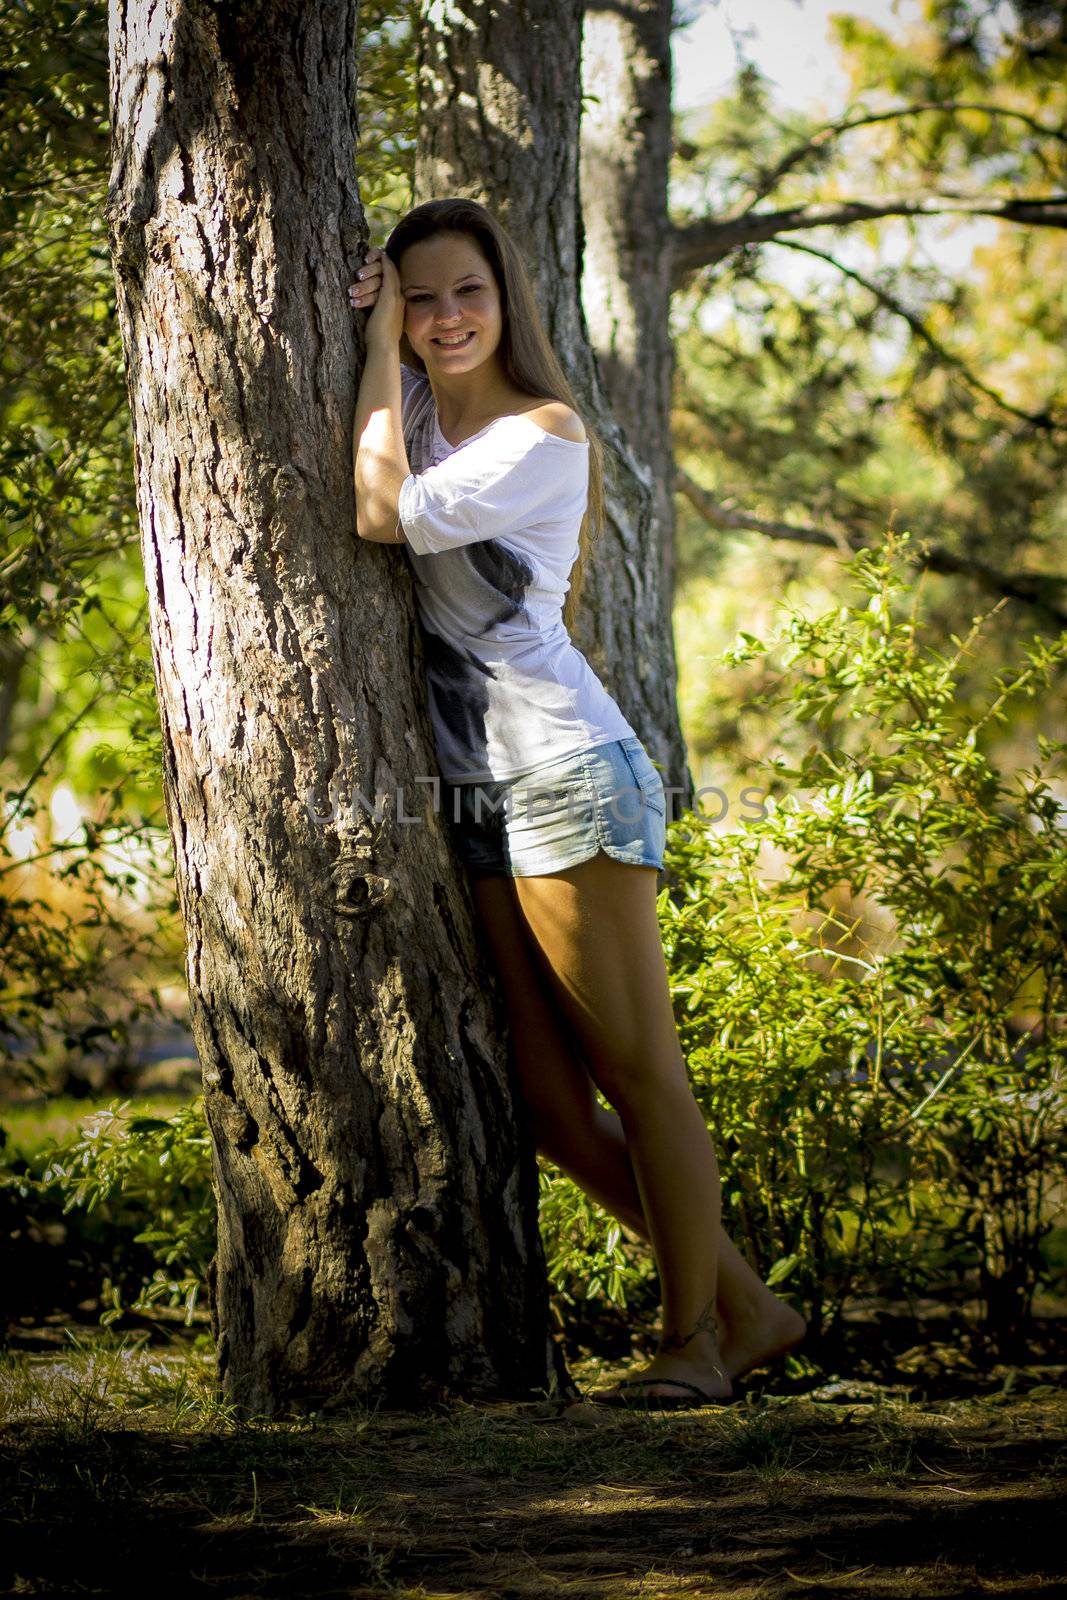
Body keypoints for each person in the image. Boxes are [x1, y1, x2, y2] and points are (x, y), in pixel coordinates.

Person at [349, 198, 804, 1410]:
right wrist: (389, 355)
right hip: (477, 790)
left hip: (562, 769)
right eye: (422, 294)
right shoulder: (429, 417)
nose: (445, 318)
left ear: (507, 304)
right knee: (549, 1104)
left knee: (641, 1071)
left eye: (465, 294)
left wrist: (377, 346)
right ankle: (750, 1305)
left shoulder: (541, 434)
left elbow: (377, 512)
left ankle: (695, 1345)